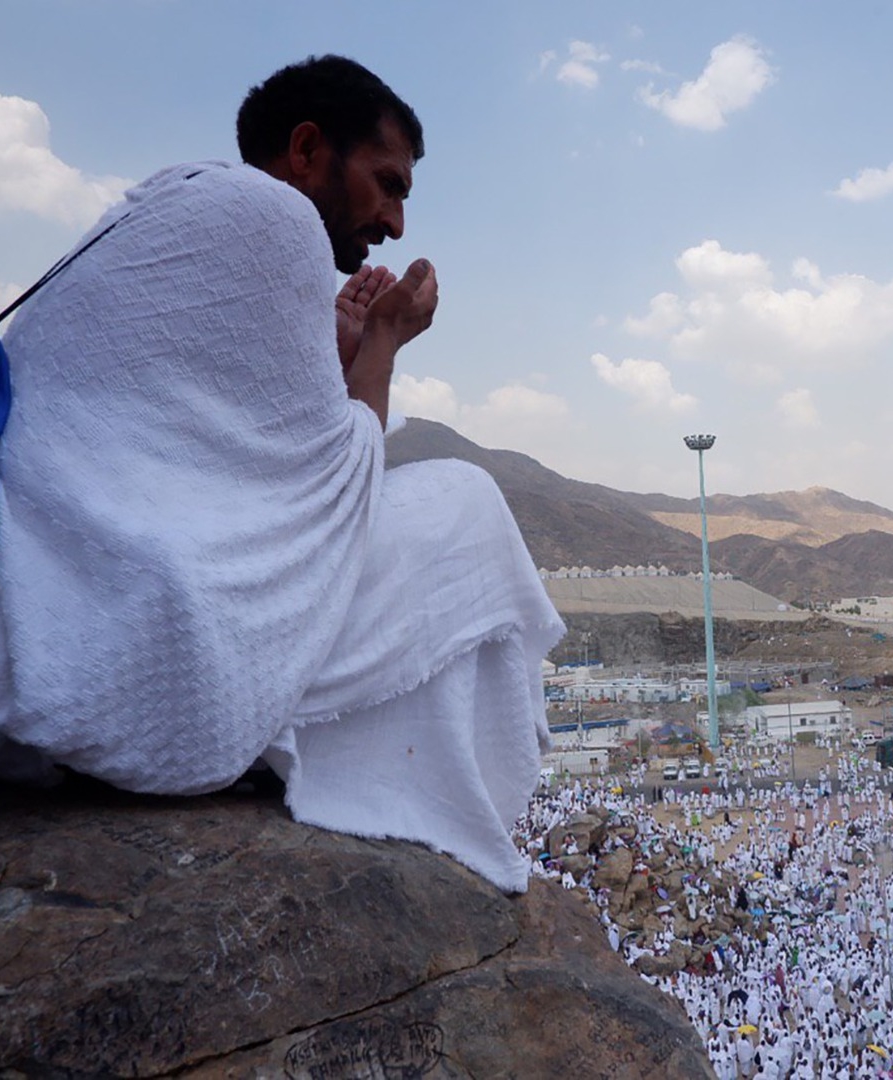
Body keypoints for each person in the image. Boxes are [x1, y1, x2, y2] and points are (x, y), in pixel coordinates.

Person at [0, 56, 563, 892]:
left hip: (65, 588)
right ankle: (418, 799)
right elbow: (334, 496)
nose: (397, 222)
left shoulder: (169, 197)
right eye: (387, 183)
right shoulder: (275, 218)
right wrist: (380, 347)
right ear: (306, 150)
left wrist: (329, 355)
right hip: (140, 638)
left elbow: (221, 464)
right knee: (469, 504)